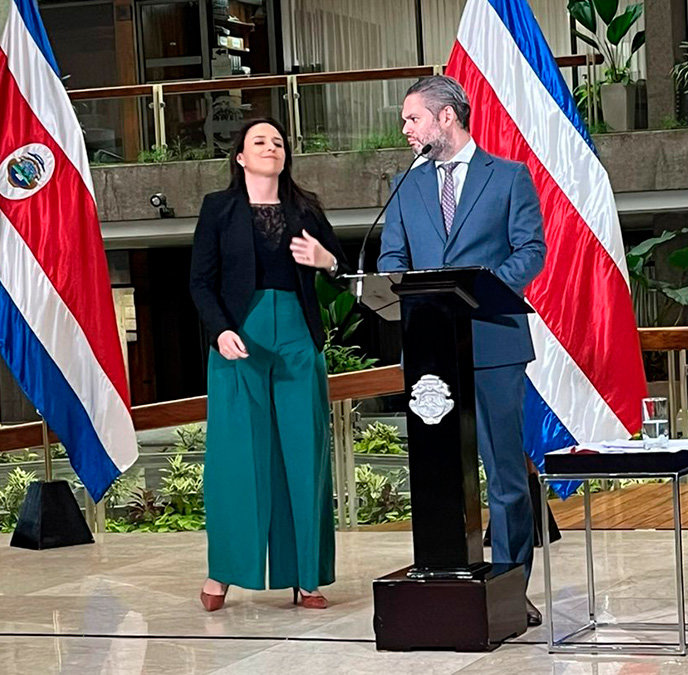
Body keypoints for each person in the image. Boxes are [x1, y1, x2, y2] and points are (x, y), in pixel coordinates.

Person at [377, 75, 546, 626]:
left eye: (412, 118)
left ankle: (511, 587)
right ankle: (449, 578)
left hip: (495, 342)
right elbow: (391, 261)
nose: (405, 130)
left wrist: (481, 289)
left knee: (506, 476)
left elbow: (531, 251)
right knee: (442, 472)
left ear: (446, 117)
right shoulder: (406, 186)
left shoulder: (510, 177)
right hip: (431, 352)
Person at [189, 118, 349, 612]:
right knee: (238, 459)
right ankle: (223, 573)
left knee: (305, 456)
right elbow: (200, 282)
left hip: (298, 335)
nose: (271, 147)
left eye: (278, 141)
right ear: (240, 156)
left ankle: (306, 577)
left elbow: (342, 273)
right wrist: (221, 330)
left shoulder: (306, 208)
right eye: (259, 141)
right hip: (241, 336)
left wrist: (326, 260)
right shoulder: (219, 209)